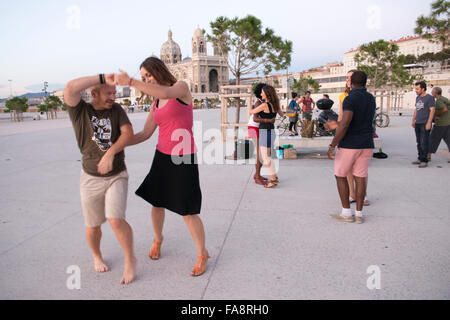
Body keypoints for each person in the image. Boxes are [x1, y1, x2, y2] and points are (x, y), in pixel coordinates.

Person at [114, 57, 209, 277]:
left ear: (159, 70)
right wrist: (119, 143)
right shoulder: (156, 103)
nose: (147, 79)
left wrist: (131, 81)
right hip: (162, 156)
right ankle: (158, 239)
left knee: (187, 210)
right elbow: (146, 134)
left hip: (183, 156)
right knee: (157, 203)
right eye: (144, 77)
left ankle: (202, 253)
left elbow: (167, 93)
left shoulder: (180, 88)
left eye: (148, 75)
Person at [63, 74, 137, 284]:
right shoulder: (81, 111)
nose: (113, 97)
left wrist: (110, 153)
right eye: (108, 93)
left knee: (115, 219)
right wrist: (103, 76)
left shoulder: (117, 110)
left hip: (117, 175)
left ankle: (130, 259)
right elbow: (70, 87)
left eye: (114, 93)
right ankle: (96, 255)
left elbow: (128, 133)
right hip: (90, 177)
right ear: (94, 93)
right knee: (93, 225)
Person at [328, 71, 376, 224]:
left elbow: (346, 123)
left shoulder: (350, 99)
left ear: (351, 82)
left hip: (350, 144)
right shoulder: (371, 98)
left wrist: (333, 144)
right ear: (365, 82)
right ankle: (359, 214)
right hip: (367, 143)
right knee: (360, 177)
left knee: (340, 175)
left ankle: (347, 213)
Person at [249, 85, 280, 188]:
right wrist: (271, 119)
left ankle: (269, 177)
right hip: (260, 129)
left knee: (264, 156)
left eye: (263, 92)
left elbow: (252, 112)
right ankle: (269, 176)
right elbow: (281, 114)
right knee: (264, 155)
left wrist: (252, 107)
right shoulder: (265, 103)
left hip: (263, 130)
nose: (261, 94)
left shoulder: (263, 104)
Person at [412, 81, 436, 168]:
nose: (416, 90)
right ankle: (420, 157)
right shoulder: (418, 97)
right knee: (419, 142)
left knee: (424, 142)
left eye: (417, 89)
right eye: (415, 89)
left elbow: (432, 110)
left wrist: (429, 122)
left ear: (423, 88)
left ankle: (424, 160)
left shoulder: (429, 98)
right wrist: (413, 120)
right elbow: (416, 109)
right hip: (418, 123)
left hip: (425, 123)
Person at [429, 87, 450, 163]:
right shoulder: (445, 99)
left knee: (432, 139)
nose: (431, 93)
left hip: (441, 124)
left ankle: (427, 156)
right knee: (448, 140)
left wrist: (437, 115)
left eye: (432, 92)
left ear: (435, 93)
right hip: (448, 123)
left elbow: (444, 109)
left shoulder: (439, 101)